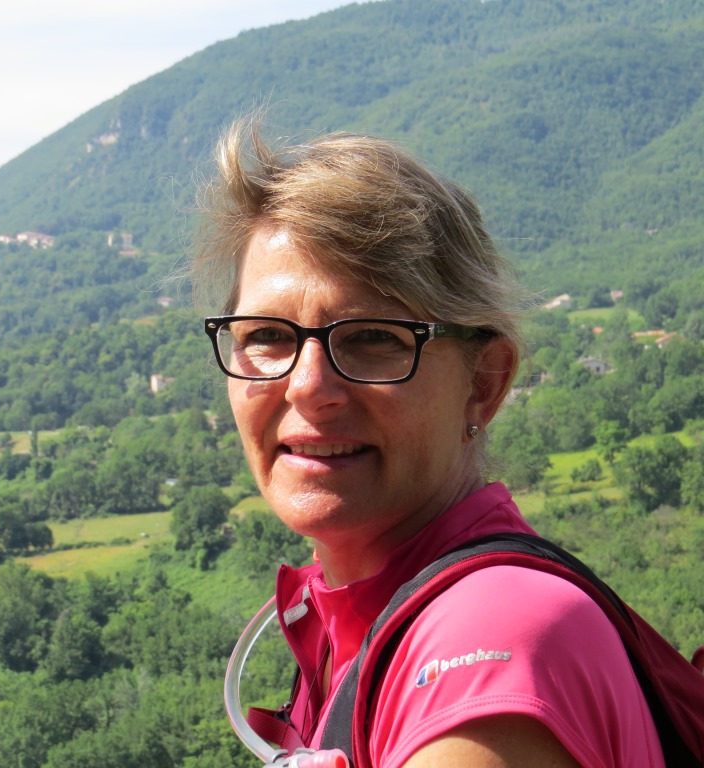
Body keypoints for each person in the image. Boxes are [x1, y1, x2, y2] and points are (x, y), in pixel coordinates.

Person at [194, 117, 664, 767]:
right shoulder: (350, 618)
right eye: (266, 336)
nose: (308, 387)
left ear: (483, 383)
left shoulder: (487, 647)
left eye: (374, 338)